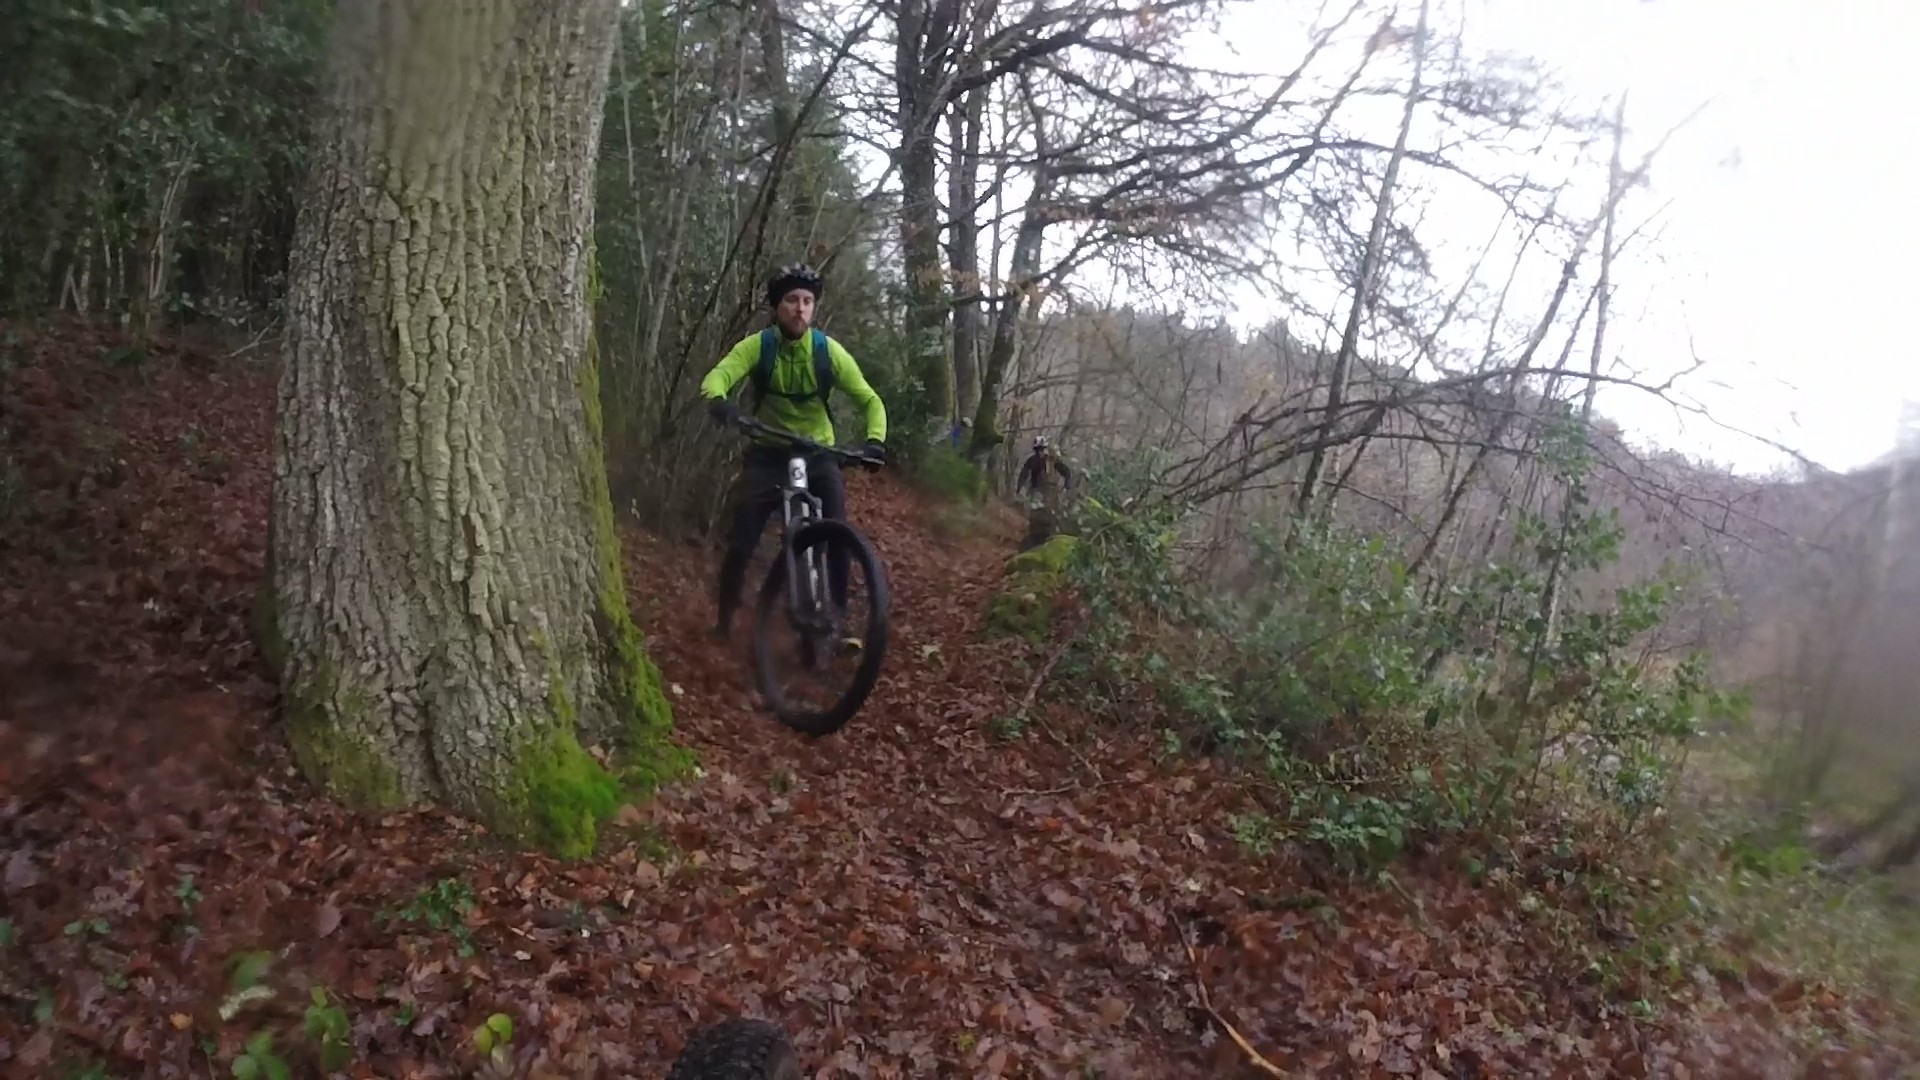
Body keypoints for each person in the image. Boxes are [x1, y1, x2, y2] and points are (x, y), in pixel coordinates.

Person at [700, 262, 888, 643]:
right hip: (769, 451)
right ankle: (724, 620)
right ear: (777, 307)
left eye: (807, 301)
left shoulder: (826, 352)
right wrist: (719, 401)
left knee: (837, 532)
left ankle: (838, 621)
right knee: (742, 539)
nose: (800, 309)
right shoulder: (759, 346)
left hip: (818, 453)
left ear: (813, 308)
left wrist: (875, 440)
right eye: (791, 300)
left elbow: (870, 400)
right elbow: (718, 376)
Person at [1015, 435, 1074, 550]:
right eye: (1038, 449)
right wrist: (1019, 488)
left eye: (1041, 449)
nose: (1040, 452)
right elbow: (1023, 474)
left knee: (1050, 516)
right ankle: (1035, 539)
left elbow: (1066, 472)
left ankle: (1049, 539)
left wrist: (1067, 486)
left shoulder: (1052, 461)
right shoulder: (1033, 460)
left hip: (1049, 492)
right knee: (1036, 516)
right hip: (1037, 491)